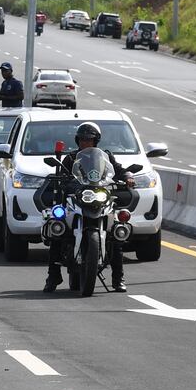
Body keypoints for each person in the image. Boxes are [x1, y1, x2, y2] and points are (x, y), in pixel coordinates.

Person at [43, 122, 133, 294]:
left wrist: (128, 176)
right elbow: (61, 174)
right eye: (83, 139)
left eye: (89, 140)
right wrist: (59, 178)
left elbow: (118, 171)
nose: (85, 143)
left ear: (95, 141)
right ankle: (52, 277)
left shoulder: (106, 157)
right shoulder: (71, 158)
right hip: (78, 198)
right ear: (78, 140)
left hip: (99, 197)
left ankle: (118, 278)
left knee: (116, 235)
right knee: (57, 231)